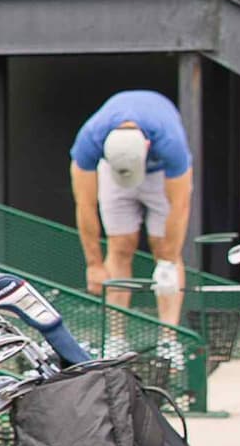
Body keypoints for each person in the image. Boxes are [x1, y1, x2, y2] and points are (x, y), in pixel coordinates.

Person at [69, 87, 197, 324]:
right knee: (120, 245)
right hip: (114, 174)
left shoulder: (170, 141)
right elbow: (85, 204)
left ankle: (169, 338)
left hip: (160, 176)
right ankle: (116, 340)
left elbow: (180, 205)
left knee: (163, 249)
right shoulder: (90, 138)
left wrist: (168, 263)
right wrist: (94, 265)